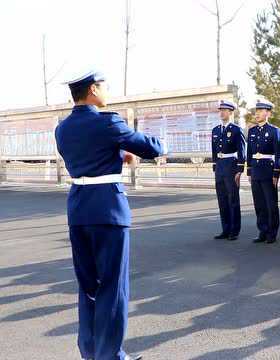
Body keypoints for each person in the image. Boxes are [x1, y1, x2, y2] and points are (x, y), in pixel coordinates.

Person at [55, 70, 165, 360]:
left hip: (78, 209)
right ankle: (110, 356)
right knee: (113, 287)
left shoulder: (62, 128)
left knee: (88, 286)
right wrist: (153, 146)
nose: (106, 92)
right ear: (92, 89)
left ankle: (90, 352)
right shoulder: (108, 121)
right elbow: (150, 147)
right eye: (104, 87)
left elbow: (87, 156)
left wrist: (117, 155)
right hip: (107, 210)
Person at [247, 98, 280, 244]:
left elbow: (279, 154)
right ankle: (262, 230)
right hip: (256, 170)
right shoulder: (252, 131)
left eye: (261, 111)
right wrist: (249, 171)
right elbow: (249, 152)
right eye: (257, 111)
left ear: (268, 113)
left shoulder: (274, 131)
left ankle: (272, 232)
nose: (257, 114)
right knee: (259, 203)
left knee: (270, 203)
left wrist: (276, 173)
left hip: (268, 171)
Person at [211, 99, 246, 241]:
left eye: (224, 110)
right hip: (219, 165)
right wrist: (215, 166)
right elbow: (214, 150)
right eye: (220, 110)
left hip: (231, 165)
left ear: (231, 112)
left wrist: (240, 169)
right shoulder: (215, 130)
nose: (221, 112)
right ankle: (225, 229)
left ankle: (234, 230)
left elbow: (242, 151)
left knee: (232, 199)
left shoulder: (236, 130)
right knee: (222, 199)